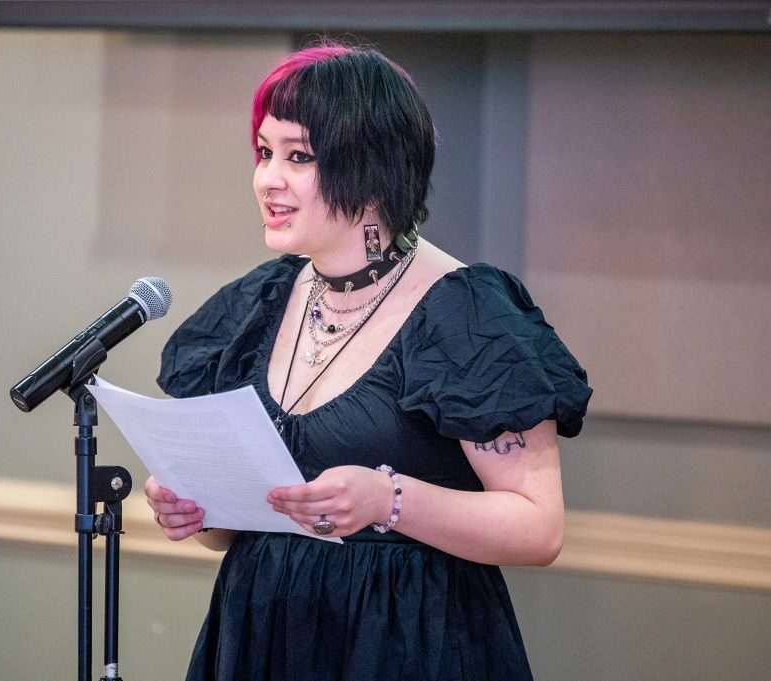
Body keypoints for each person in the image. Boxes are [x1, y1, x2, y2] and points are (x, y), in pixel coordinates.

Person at [144, 40, 592, 681]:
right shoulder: (257, 304)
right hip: (263, 638)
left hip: (409, 642)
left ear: (374, 169)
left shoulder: (465, 313)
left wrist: (389, 500)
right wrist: (199, 507)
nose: (268, 178)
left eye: (298, 157)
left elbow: (538, 527)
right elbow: (239, 529)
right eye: (265, 152)